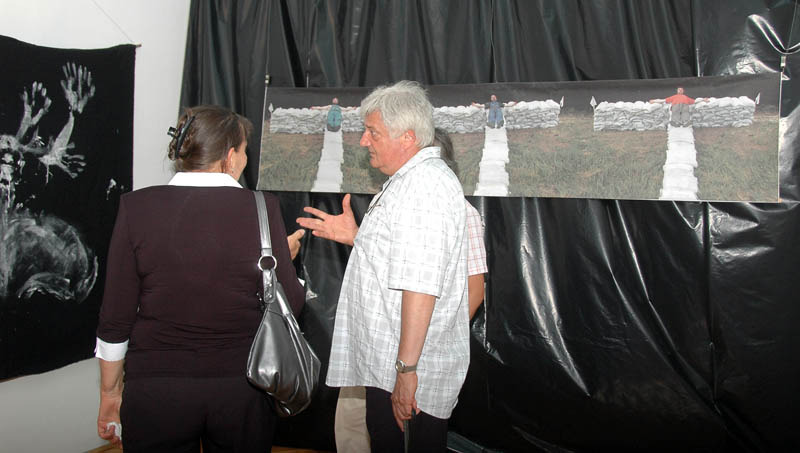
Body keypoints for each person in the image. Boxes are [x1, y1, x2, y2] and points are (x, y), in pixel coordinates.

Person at [94, 105, 305, 452]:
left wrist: (110, 393)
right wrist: (285, 263)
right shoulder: (262, 208)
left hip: (156, 389)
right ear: (230, 156)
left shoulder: (136, 207)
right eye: (244, 150)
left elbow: (115, 317)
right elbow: (291, 304)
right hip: (242, 390)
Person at [297, 128, 488, 452]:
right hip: (383, 358)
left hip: (416, 366)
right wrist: (356, 236)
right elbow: (398, 263)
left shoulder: (458, 211)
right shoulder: (399, 201)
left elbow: (474, 289)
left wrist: (422, 350)